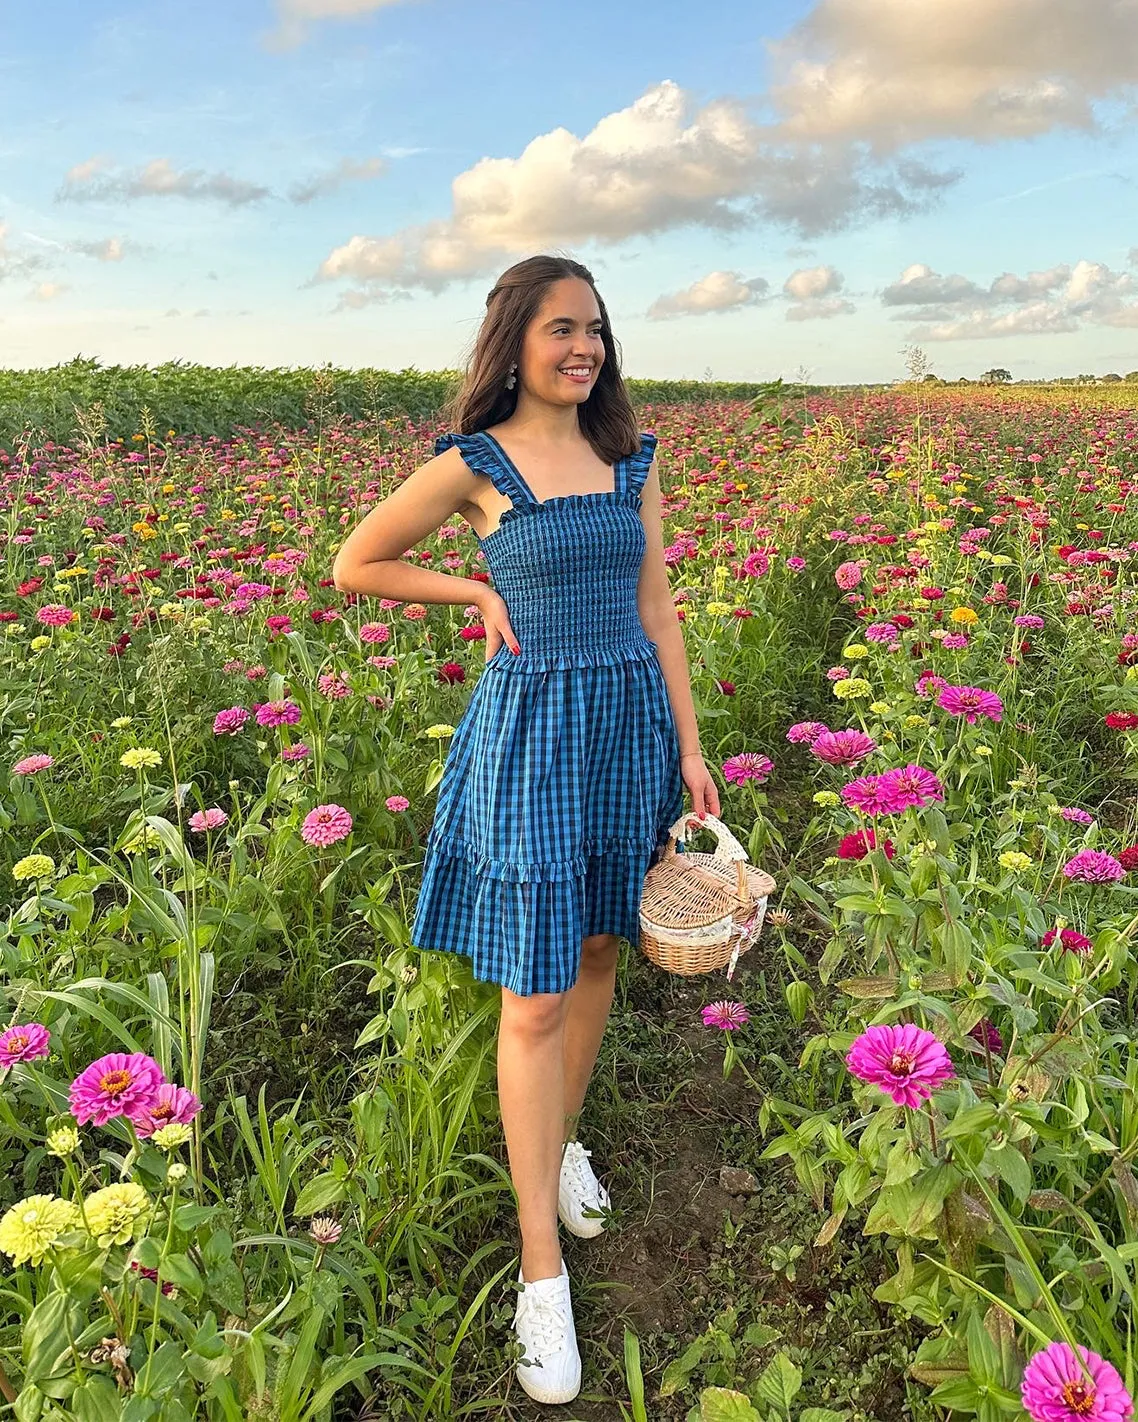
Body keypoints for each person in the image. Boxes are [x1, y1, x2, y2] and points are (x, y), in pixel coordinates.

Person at [332, 253, 720, 1405]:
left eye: (594, 329)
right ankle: (538, 1274)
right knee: (533, 992)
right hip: (533, 731)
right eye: (561, 328)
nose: (583, 347)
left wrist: (692, 748)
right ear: (514, 340)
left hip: (628, 730)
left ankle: (561, 1145)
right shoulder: (473, 463)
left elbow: (657, 604)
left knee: (601, 947)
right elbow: (356, 564)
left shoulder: (628, 457)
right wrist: (478, 593)